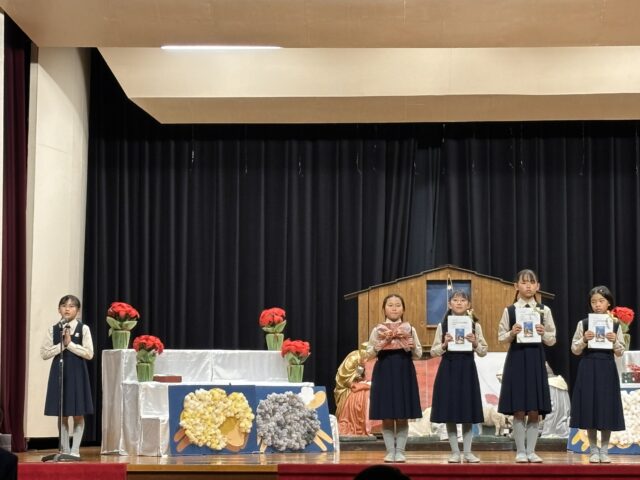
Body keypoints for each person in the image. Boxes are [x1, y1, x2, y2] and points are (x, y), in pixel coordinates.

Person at [497, 269, 556, 463]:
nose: (528, 286)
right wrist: (512, 333)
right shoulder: (510, 310)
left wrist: (543, 332)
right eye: (524, 282)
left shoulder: (544, 310)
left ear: (538, 286)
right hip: (517, 358)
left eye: (532, 282)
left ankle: (531, 450)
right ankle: (520, 451)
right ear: (516, 286)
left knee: (534, 408)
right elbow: (501, 337)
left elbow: (552, 339)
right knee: (519, 408)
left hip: (535, 359)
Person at [569, 285, 625, 464]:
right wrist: (584, 339)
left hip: (607, 367)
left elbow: (620, 352)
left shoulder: (615, 324)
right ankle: (593, 450)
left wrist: (615, 342)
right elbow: (574, 349)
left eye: (601, 301)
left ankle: (605, 450)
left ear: (609, 303)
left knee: (606, 407)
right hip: (588, 366)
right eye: (594, 302)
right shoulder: (584, 323)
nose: (597, 305)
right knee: (590, 406)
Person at [430, 290, 488, 463]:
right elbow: (433, 351)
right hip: (448, 369)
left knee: (467, 411)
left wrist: (475, 342)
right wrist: (444, 344)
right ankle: (455, 452)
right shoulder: (442, 326)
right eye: (455, 300)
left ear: (468, 304)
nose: (459, 303)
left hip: (467, 368)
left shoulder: (475, 325)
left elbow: (483, 351)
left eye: (463, 300)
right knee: (451, 412)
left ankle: (468, 452)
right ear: (449, 304)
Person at [366, 293, 422, 463]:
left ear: (403, 309)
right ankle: (390, 451)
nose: (394, 308)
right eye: (390, 305)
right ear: (384, 309)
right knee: (387, 414)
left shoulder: (410, 328)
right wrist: (377, 347)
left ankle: (401, 451)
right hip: (384, 371)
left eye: (398, 305)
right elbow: (368, 354)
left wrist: (412, 347)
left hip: (404, 371)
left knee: (403, 414)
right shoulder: (378, 330)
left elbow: (418, 354)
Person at [40, 294, 94, 459]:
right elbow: (44, 353)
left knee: (78, 413)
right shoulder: (53, 329)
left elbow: (89, 353)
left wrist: (70, 344)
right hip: (60, 372)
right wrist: (62, 345)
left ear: (78, 310)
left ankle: (75, 450)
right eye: (64, 306)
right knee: (62, 413)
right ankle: (64, 449)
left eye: (71, 306)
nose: (67, 309)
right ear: (59, 309)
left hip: (78, 373)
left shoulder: (83, 329)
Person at [335, 343, 372, 436]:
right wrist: (357, 375)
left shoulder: (374, 359)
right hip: (348, 386)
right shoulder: (352, 359)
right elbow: (343, 378)